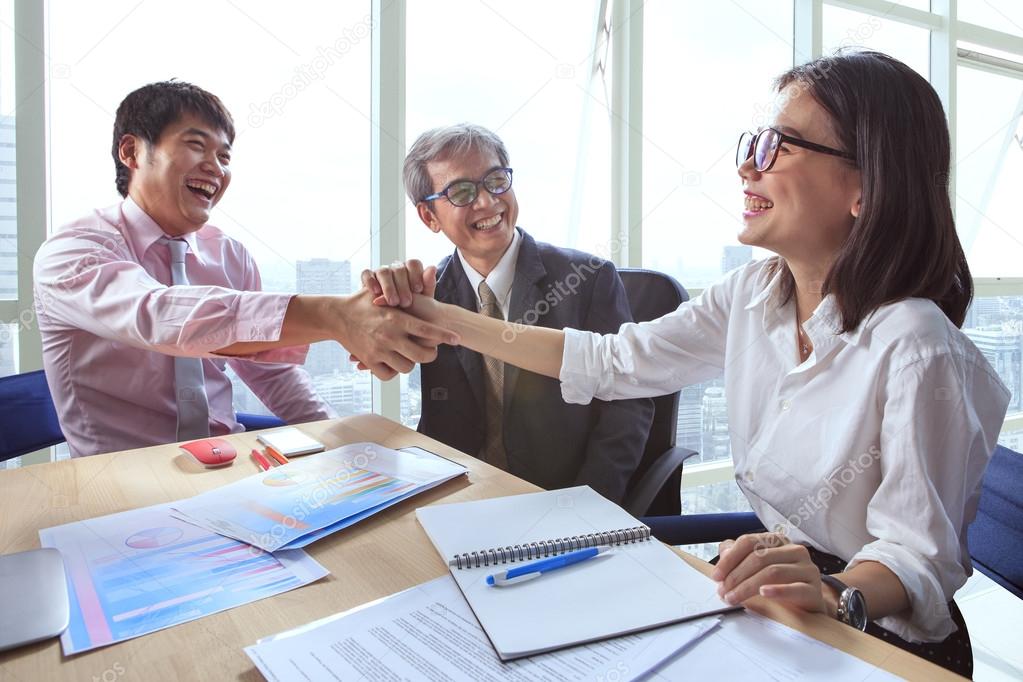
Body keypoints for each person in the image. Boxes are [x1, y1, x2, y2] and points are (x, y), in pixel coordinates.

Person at [368, 51, 1008, 676]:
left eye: (777, 148)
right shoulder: (754, 294)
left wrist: (834, 592)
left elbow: (916, 558)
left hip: (881, 637)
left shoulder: (918, 349)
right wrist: (442, 318)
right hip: (779, 604)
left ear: (865, 187)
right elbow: (613, 361)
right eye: (752, 144)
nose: (746, 170)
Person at [33, 81, 455, 457]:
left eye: (224, 155)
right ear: (131, 152)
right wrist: (336, 316)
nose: (216, 168)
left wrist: (346, 444)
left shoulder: (230, 256)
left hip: (228, 467)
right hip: (117, 484)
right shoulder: (73, 250)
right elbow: (161, 317)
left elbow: (271, 374)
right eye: (196, 146)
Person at [365, 124, 653, 503]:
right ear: (429, 217)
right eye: (462, 191)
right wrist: (386, 302)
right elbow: (430, 414)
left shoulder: (588, 279)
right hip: (463, 502)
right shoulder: (430, 294)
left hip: (563, 499)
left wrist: (587, 505)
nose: (487, 202)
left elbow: (628, 406)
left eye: (496, 180)